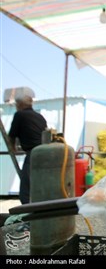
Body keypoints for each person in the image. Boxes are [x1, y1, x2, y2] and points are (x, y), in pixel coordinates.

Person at [8, 95, 47, 231]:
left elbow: (11, 135)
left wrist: (12, 148)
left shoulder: (20, 115)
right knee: (40, 189)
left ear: (20, 105)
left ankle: (31, 222)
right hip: (45, 154)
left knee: (25, 191)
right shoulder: (39, 117)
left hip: (33, 154)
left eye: (17, 104)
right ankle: (42, 220)